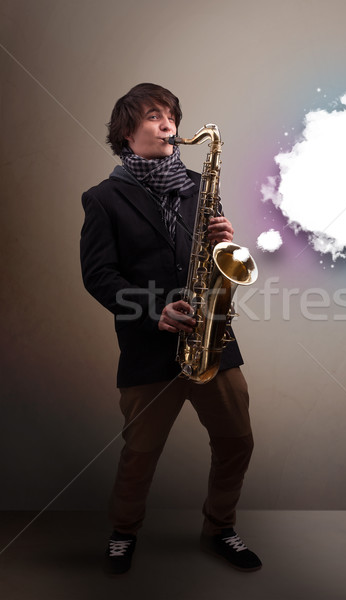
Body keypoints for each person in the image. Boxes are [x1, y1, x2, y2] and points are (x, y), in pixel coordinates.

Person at [80, 83, 261, 575]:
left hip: (210, 336)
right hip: (148, 344)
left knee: (236, 441)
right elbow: (99, 275)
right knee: (140, 452)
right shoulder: (103, 199)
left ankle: (220, 526)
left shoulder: (200, 187)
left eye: (172, 116)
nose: (169, 125)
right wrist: (154, 309)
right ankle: (123, 533)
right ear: (126, 132)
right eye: (155, 116)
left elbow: (212, 258)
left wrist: (226, 242)